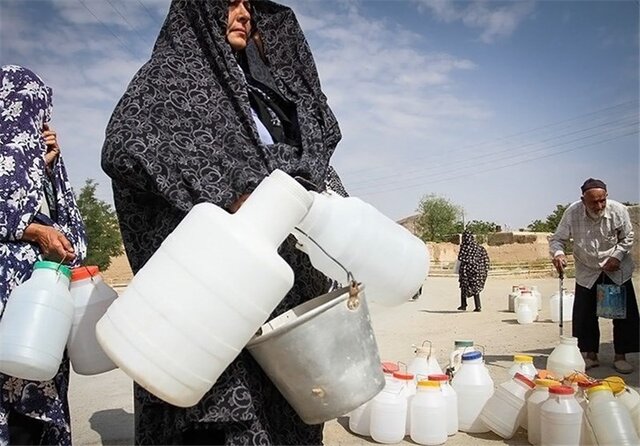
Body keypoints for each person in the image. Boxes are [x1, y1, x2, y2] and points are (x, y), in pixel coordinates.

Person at [101, 0, 343, 444]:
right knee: (222, 407)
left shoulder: (270, 95)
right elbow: (126, 146)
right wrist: (227, 192)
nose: (244, 13)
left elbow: (307, 166)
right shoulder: (170, 78)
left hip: (282, 288)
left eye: (249, 4)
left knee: (291, 407)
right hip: (217, 286)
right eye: (229, 2)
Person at [0, 65, 87, 445]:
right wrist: (33, 230)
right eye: (28, 108)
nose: (39, 123)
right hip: (8, 315)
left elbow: (73, 232)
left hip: (38, 321)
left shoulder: (44, 169)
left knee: (37, 419)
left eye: (42, 111)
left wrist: (46, 167)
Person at [549, 178, 638, 374]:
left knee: (621, 313)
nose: (599, 206)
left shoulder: (618, 210)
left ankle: (620, 356)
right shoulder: (572, 212)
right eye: (593, 202)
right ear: (583, 200)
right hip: (587, 270)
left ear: (606, 196)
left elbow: (628, 237)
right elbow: (557, 239)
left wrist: (617, 256)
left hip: (615, 268)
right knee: (585, 315)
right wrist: (559, 254)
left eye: (602, 201)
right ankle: (590, 355)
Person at [457, 229, 489, 312]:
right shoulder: (478, 247)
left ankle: (463, 305)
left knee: (464, 286)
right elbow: (484, 259)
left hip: (466, 271)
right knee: (475, 287)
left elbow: (460, 258)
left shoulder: (464, 247)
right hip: (476, 271)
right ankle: (478, 306)